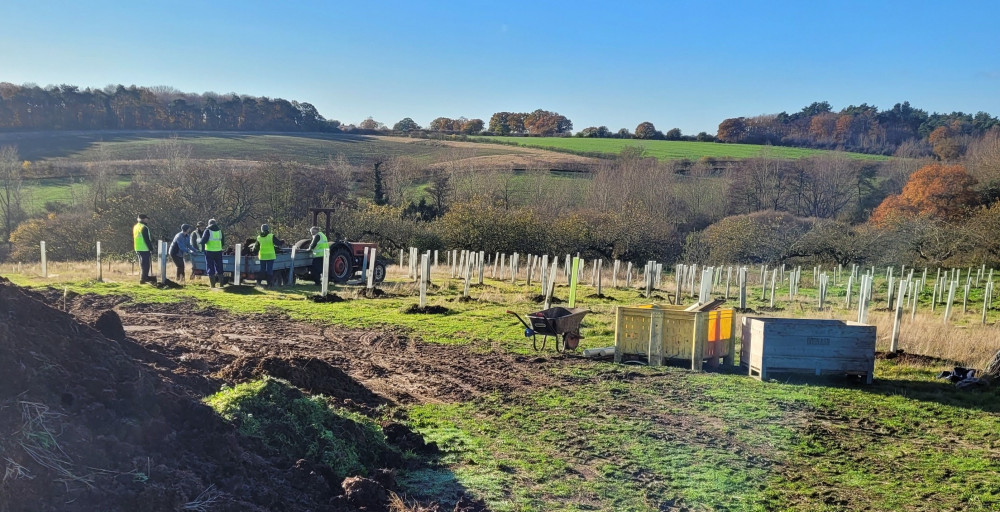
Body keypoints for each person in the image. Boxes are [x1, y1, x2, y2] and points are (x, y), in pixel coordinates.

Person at [200, 218, 225, 287]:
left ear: (209, 224)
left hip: (209, 251)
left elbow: (203, 241)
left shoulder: (207, 230)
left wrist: (199, 242)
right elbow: (223, 242)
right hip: (218, 251)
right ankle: (221, 284)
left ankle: (212, 285)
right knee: (219, 266)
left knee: (210, 266)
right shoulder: (220, 231)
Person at [133, 214, 154, 284]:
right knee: (146, 264)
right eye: (146, 218)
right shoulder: (144, 227)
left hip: (137, 248)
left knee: (142, 264)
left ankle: (144, 278)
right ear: (144, 219)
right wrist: (151, 248)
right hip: (144, 248)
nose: (147, 220)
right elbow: (146, 239)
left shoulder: (136, 227)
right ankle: (144, 278)